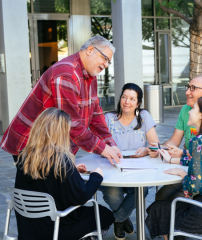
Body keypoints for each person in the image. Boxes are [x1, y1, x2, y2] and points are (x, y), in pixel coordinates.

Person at [1, 36, 121, 165]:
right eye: (105, 58)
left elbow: (96, 114)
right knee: (52, 184)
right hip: (32, 144)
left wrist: (110, 144)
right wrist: (102, 148)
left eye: (109, 62)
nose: (106, 65)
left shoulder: (90, 75)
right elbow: (70, 123)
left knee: (65, 182)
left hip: (53, 145)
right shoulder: (66, 74)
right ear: (90, 50)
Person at [15, 108, 115, 240]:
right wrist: (96, 176)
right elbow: (81, 197)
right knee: (105, 214)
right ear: (60, 133)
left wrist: (72, 171)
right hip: (57, 228)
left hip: (28, 228)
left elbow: (47, 179)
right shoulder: (61, 161)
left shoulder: (24, 156)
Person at [145, 97, 202, 240]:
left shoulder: (198, 140)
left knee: (158, 208)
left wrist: (183, 174)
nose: (190, 111)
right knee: (166, 208)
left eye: (194, 108)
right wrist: (172, 159)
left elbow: (195, 187)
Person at [101, 83, 160, 240]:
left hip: (136, 171)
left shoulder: (144, 117)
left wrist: (147, 150)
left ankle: (116, 219)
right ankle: (123, 218)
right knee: (112, 193)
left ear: (138, 103)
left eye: (132, 99)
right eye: (124, 97)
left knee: (143, 191)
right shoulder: (108, 119)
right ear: (120, 98)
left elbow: (156, 146)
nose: (127, 102)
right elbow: (99, 146)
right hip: (113, 169)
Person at [147, 75, 202, 178]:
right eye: (188, 87)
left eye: (193, 88)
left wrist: (183, 154)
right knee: (164, 192)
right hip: (193, 167)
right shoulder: (185, 109)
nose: (187, 92)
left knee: (167, 193)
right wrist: (157, 149)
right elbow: (174, 141)